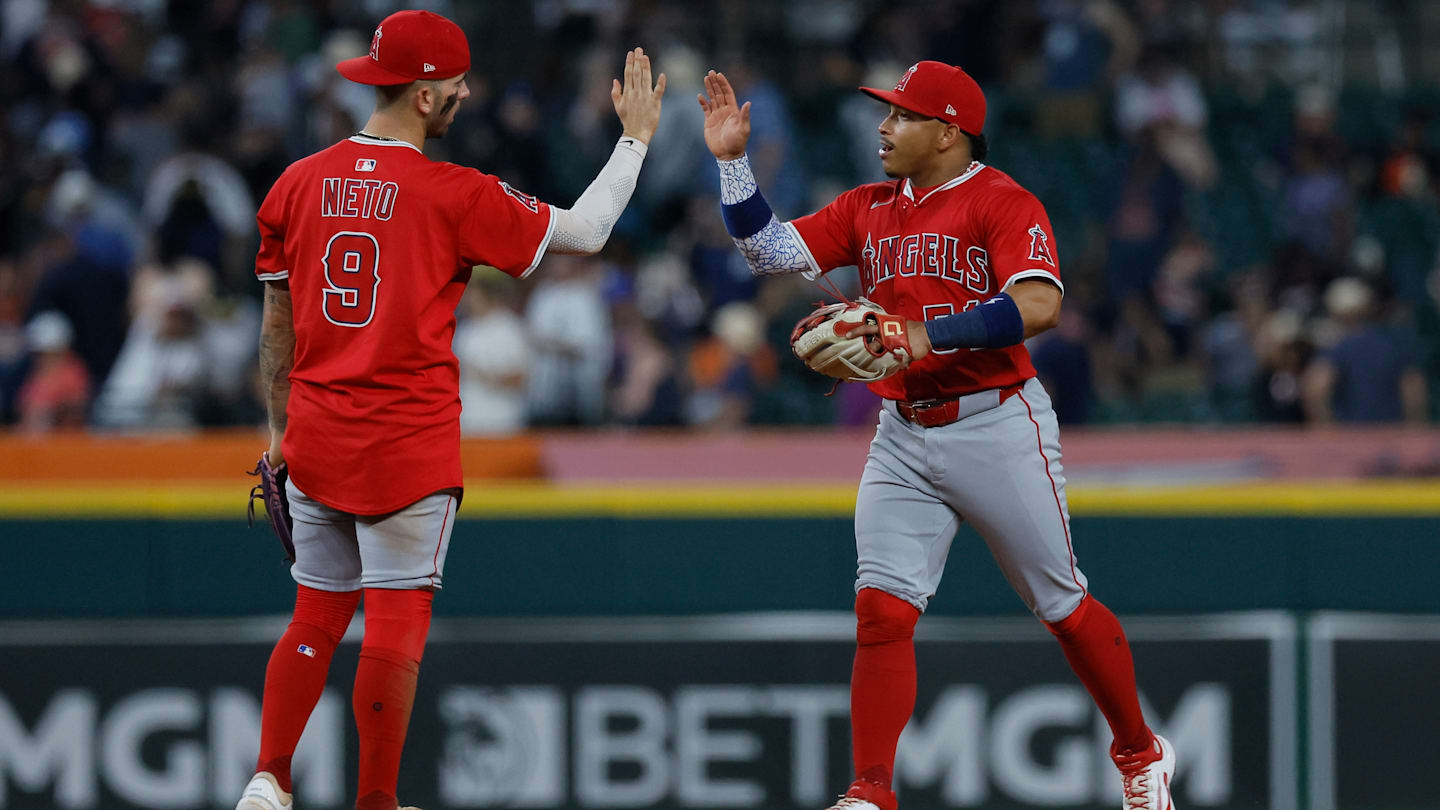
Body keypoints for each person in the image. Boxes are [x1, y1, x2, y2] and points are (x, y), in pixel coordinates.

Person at [699, 62, 1176, 810]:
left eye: (901, 116)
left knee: (1063, 606)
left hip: (996, 422)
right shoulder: (868, 205)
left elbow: (1041, 304)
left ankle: (1140, 753)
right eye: (885, 114)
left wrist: (926, 335)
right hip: (903, 432)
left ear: (948, 131)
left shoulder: (1002, 201)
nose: (883, 128)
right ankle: (871, 791)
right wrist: (732, 164)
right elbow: (770, 254)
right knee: (881, 609)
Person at [238, 10, 665, 810]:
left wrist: (278, 432)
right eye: (457, 82)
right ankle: (374, 800)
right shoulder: (450, 191)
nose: (468, 92)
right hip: (406, 435)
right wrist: (634, 139)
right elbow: (589, 231)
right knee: (395, 623)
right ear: (428, 94)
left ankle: (269, 775)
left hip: (318, 431)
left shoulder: (295, 182)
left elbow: (276, 329)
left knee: (315, 616)